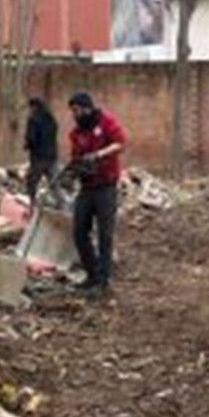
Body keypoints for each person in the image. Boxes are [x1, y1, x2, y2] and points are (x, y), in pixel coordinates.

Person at [67, 92, 127, 296]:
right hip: (87, 187)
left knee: (104, 234)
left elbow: (120, 143)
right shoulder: (76, 133)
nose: (75, 115)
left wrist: (98, 155)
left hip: (106, 186)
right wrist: (74, 170)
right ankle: (91, 274)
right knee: (79, 231)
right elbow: (76, 158)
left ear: (87, 108)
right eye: (72, 111)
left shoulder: (106, 121)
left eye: (77, 110)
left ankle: (103, 280)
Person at [24, 98, 59, 206]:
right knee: (54, 183)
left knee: (32, 183)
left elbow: (32, 138)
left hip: (38, 157)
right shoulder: (51, 118)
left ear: (34, 107)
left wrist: (27, 145)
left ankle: (31, 204)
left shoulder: (33, 119)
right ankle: (64, 206)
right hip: (52, 156)